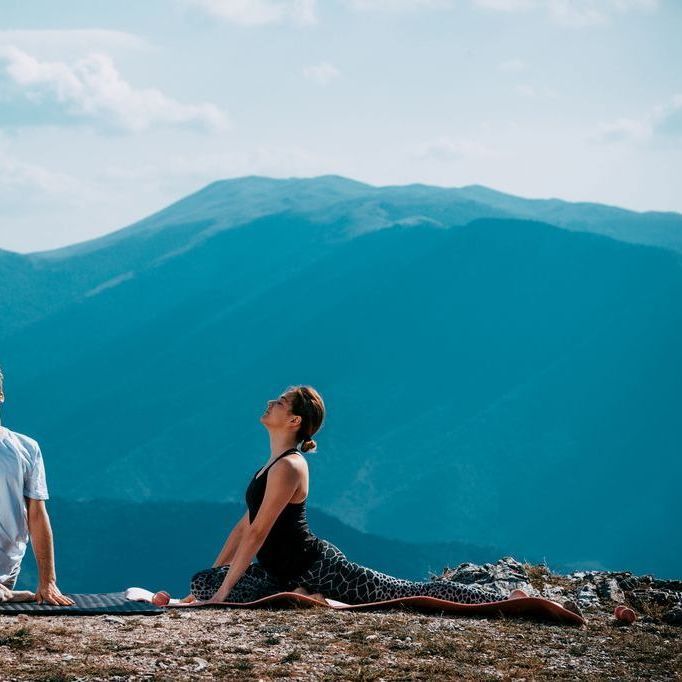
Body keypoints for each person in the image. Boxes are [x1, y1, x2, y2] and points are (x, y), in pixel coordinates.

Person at [183, 385, 513, 606]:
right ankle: (298, 595)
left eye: (280, 402)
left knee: (406, 593)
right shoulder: (268, 466)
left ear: (294, 420)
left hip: (319, 568)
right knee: (201, 581)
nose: (271, 403)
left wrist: (223, 593)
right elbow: (244, 527)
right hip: (277, 574)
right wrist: (210, 584)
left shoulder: (290, 467)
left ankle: (499, 598)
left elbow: (258, 533)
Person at [0, 367, 74, 605]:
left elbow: (37, 516)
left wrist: (48, 581)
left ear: (0, 395)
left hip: (6, 571)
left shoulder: (26, 448)